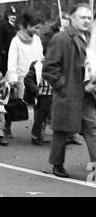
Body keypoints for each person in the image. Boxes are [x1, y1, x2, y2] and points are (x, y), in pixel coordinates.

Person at [42, 4, 92, 178]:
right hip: (69, 92)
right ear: (71, 18)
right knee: (62, 131)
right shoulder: (62, 38)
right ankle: (57, 164)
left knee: (91, 129)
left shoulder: (90, 38)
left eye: (89, 17)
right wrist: (62, 86)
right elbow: (49, 68)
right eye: (82, 17)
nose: (86, 20)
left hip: (87, 92)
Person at [41, 12, 82, 145]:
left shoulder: (75, 34)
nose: (65, 22)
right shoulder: (53, 35)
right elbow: (48, 54)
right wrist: (59, 82)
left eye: (67, 19)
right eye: (62, 19)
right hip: (59, 75)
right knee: (51, 106)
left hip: (71, 74)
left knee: (71, 109)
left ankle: (72, 134)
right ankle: (48, 132)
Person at [6, 12, 44, 138]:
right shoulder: (16, 41)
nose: (38, 30)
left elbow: (40, 57)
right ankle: (7, 126)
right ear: (28, 26)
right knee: (14, 103)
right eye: (36, 27)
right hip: (20, 76)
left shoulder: (37, 40)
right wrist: (13, 78)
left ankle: (38, 132)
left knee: (39, 104)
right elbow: (12, 60)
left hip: (35, 77)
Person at [23, 57, 52, 145]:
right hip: (41, 96)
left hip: (53, 95)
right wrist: (36, 90)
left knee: (53, 116)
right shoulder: (37, 65)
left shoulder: (58, 65)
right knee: (40, 117)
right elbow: (28, 79)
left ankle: (43, 135)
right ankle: (36, 136)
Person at [0, 5, 18, 76]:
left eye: (14, 15)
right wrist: (2, 51)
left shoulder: (17, 27)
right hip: (6, 53)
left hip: (15, 52)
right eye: (11, 15)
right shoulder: (3, 26)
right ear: (8, 16)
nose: (13, 17)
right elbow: (0, 40)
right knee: (3, 70)